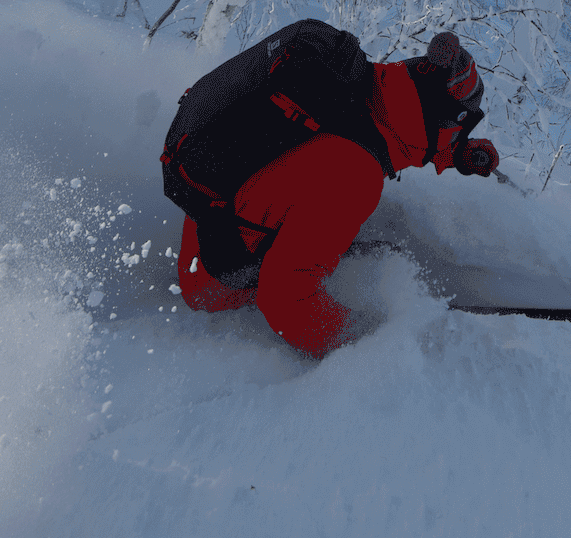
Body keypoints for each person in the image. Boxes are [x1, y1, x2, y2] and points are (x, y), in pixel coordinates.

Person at [171, 27, 500, 357]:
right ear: (440, 120)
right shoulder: (355, 173)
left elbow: (415, 132)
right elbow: (284, 298)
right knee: (344, 247)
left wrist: (458, 154)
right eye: (459, 128)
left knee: (363, 242)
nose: (458, 137)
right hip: (214, 285)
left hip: (211, 220)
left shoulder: (364, 92)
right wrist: (368, 343)